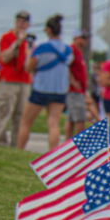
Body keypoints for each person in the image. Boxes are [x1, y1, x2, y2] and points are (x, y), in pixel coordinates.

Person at [16, 15, 73, 150]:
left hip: (41, 88)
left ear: (48, 30)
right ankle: (52, 154)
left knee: (26, 122)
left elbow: (29, 67)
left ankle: (19, 149)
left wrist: (28, 52)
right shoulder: (67, 50)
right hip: (59, 90)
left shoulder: (41, 48)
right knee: (53, 123)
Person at [0, 11, 32, 147]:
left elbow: (31, 62)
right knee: (4, 112)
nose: (21, 25)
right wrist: (17, 42)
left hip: (24, 81)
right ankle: (0, 142)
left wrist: (28, 47)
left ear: (28, 25)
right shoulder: (7, 37)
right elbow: (4, 57)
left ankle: (17, 144)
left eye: (24, 22)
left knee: (20, 115)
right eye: (19, 21)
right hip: (8, 81)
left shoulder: (28, 42)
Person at [65, 29, 90, 138]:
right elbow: (66, 66)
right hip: (74, 90)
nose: (85, 40)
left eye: (86, 38)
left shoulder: (79, 52)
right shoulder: (72, 50)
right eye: (83, 38)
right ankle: (78, 145)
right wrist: (72, 81)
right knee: (80, 119)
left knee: (71, 118)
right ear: (76, 38)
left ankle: (68, 143)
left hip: (79, 90)